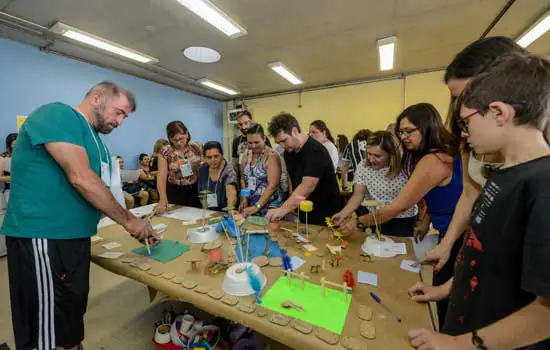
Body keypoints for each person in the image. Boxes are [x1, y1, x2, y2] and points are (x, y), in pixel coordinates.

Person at [408, 53, 550, 350]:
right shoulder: (499, 173)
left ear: (499, 113)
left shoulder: (542, 184)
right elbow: (483, 258)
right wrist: (444, 290)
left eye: (466, 122)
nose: (463, 133)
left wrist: (460, 345)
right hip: (466, 329)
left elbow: (545, 313)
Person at [1, 81, 153, 350]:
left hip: (75, 237)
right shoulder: (58, 115)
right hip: (45, 236)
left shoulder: (96, 142)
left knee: (70, 312)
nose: (120, 122)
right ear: (96, 98)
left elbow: (106, 189)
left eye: (125, 117)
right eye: (119, 112)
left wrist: (131, 221)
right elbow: (81, 178)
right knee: (47, 327)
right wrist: (130, 222)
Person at [341, 103, 462, 324]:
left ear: (426, 128)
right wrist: (427, 220)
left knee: (452, 303)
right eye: (401, 132)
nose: (403, 137)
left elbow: (399, 206)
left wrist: (358, 222)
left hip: (458, 235)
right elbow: (430, 195)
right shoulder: (432, 156)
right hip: (450, 232)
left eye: (409, 131)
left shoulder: (433, 160)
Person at [419, 37, 528, 274]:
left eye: (467, 97)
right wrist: (447, 244)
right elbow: (470, 193)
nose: (459, 107)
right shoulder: (470, 137)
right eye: (456, 98)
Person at [332, 131, 418, 237]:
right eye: (369, 154)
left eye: (377, 156)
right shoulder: (363, 166)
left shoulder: (406, 168)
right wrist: (343, 214)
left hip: (401, 221)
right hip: (371, 218)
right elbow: (358, 195)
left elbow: (416, 198)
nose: (371, 159)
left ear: (391, 154)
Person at [266, 113, 341, 225]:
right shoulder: (288, 152)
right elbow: (293, 181)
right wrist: (292, 206)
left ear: (295, 131)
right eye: (278, 143)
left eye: (284, 140)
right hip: (304, 212)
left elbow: (307, 187)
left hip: (326, 214)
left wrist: (284, 209)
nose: (282, 146)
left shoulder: (316, 151)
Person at [156, 121, 203, 213]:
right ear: (170, 139)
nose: (178, 142)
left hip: (196, 189)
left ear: (187, 134)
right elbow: (161, 175)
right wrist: (162, 198)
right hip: (175, 190)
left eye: (181, 138)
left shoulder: (197, 147)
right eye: (174, 140)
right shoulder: (165, 152)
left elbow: (206, 163)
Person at [239, 124, 284, 217]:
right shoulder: (245, 156)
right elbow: (243, 179)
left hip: (269, 205)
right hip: (252, 204)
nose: (253, 146)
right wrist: (244, 197)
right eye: (250, 143)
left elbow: (273, 185)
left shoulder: (271, 156)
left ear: (264, 138)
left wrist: (257, 206)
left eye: (256, 142)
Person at [197, 141, 238, 212]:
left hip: (225, 212)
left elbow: (231, 194)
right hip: (209, 211)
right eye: (209, 157)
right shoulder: (202, 170)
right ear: (204, 158)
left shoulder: (229, 170)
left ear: (221, 155)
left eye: (216, 156)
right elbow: (202, 194)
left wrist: (230, 213)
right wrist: (206, 213)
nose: (213, 160)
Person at [0, 133, 18, 203]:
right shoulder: (3, 158)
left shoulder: (26, 156)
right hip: (10, 191)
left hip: (26, 189)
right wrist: (11, 178)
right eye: (14, 144)